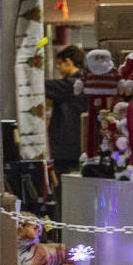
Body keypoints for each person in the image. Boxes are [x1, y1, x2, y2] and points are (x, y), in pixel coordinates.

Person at [45, 46, 86, 181]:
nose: (59, 69)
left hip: (65, 150)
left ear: (68, 62)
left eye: (59, 65)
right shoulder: (86, 82)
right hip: (81, 147)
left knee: (63, 188)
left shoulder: (70, 85)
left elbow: (40, 85)